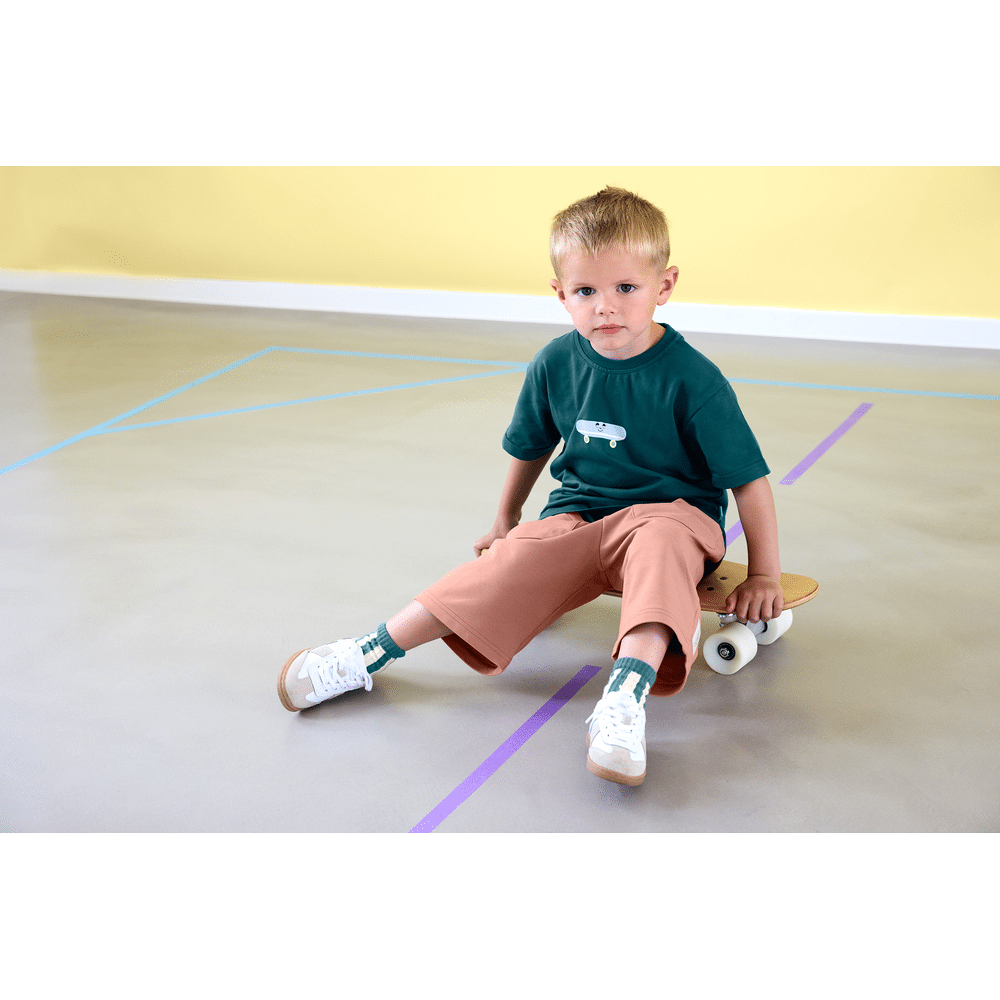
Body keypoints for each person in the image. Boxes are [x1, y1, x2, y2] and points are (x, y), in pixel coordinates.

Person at [277, 186, 783, 786]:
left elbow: (750, 483)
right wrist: (505, 521)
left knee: (659, 541)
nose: (606, 308)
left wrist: (764, 575)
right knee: (509, 561)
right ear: (561, 294)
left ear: (664, 286)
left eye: (626, 288)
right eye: (586, 291)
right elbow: (530, 447)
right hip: (579, 513)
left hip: (672, 517)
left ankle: (623, 701)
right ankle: (365, 653)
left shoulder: (694, 380)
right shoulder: (554, 363)